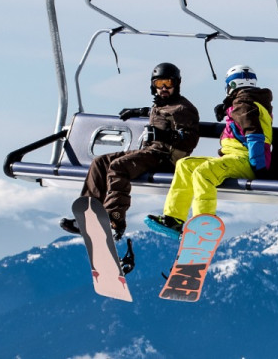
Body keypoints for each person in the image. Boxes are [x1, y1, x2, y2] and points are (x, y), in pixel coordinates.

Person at [60, 62, 200, 240]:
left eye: (168, 84)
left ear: (177, 84)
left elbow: (189, 140)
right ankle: (88, 216)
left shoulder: (184, 109)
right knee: (100, 162)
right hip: (151, 152)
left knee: (119, 167)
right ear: (153, 86)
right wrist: (140, 111)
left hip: (166, 158)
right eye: (159, 84)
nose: (164, 88)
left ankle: (114, 219)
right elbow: (159, 112)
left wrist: (165, 135)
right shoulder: (161, 105)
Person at [146, 64, 273, 237]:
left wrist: (259, 168)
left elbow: (255, 136)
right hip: (234, 159)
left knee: (203, 173)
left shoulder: (244, 106)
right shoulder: (244, 103)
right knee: (185, 165)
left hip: (247, 161)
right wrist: (228, 108)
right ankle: (174, 219)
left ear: (231, 86)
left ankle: (203, 224)